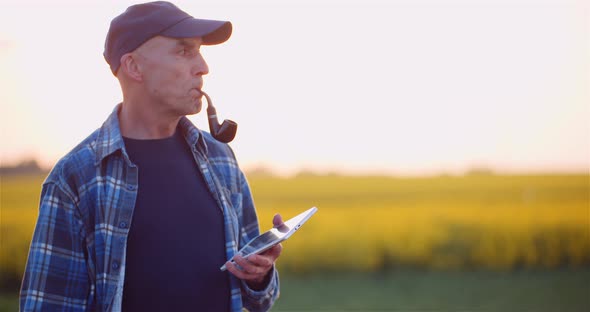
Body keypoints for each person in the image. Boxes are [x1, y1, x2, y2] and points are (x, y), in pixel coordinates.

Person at [19, 2, 281, 311]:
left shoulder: (221, 158)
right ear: (134, 66)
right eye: (184, 51)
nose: (203, 67)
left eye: (199, 51)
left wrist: (258, 276)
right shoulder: (77, 177)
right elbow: (48, 305)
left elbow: (260, 299)